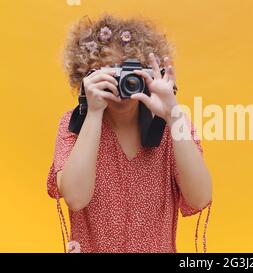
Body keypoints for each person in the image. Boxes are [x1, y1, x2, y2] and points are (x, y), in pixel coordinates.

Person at [46, 14, 212, 253]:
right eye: (110, 74)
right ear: (87, 77)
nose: (122, 84)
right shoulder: (75, 125)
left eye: (130, 73)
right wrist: (93, 112)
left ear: (148, 74)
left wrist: (174, 114)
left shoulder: (171, 125)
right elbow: (76, 198)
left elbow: (200, 198)